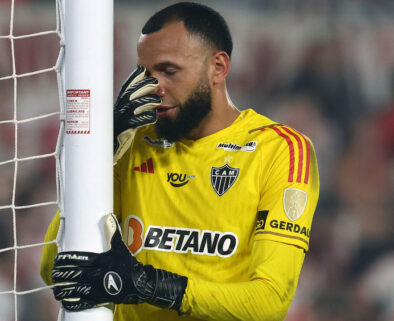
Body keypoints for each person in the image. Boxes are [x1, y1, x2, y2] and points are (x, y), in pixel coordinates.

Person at [40, 2, 319, 321]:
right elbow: (55, 269)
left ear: (218, 67)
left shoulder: (280, 150)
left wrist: (149, 285)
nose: (153, 87)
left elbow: (268, 304)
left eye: (169, 71)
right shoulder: (130, 144)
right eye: (145, 74)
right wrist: (101, 151)